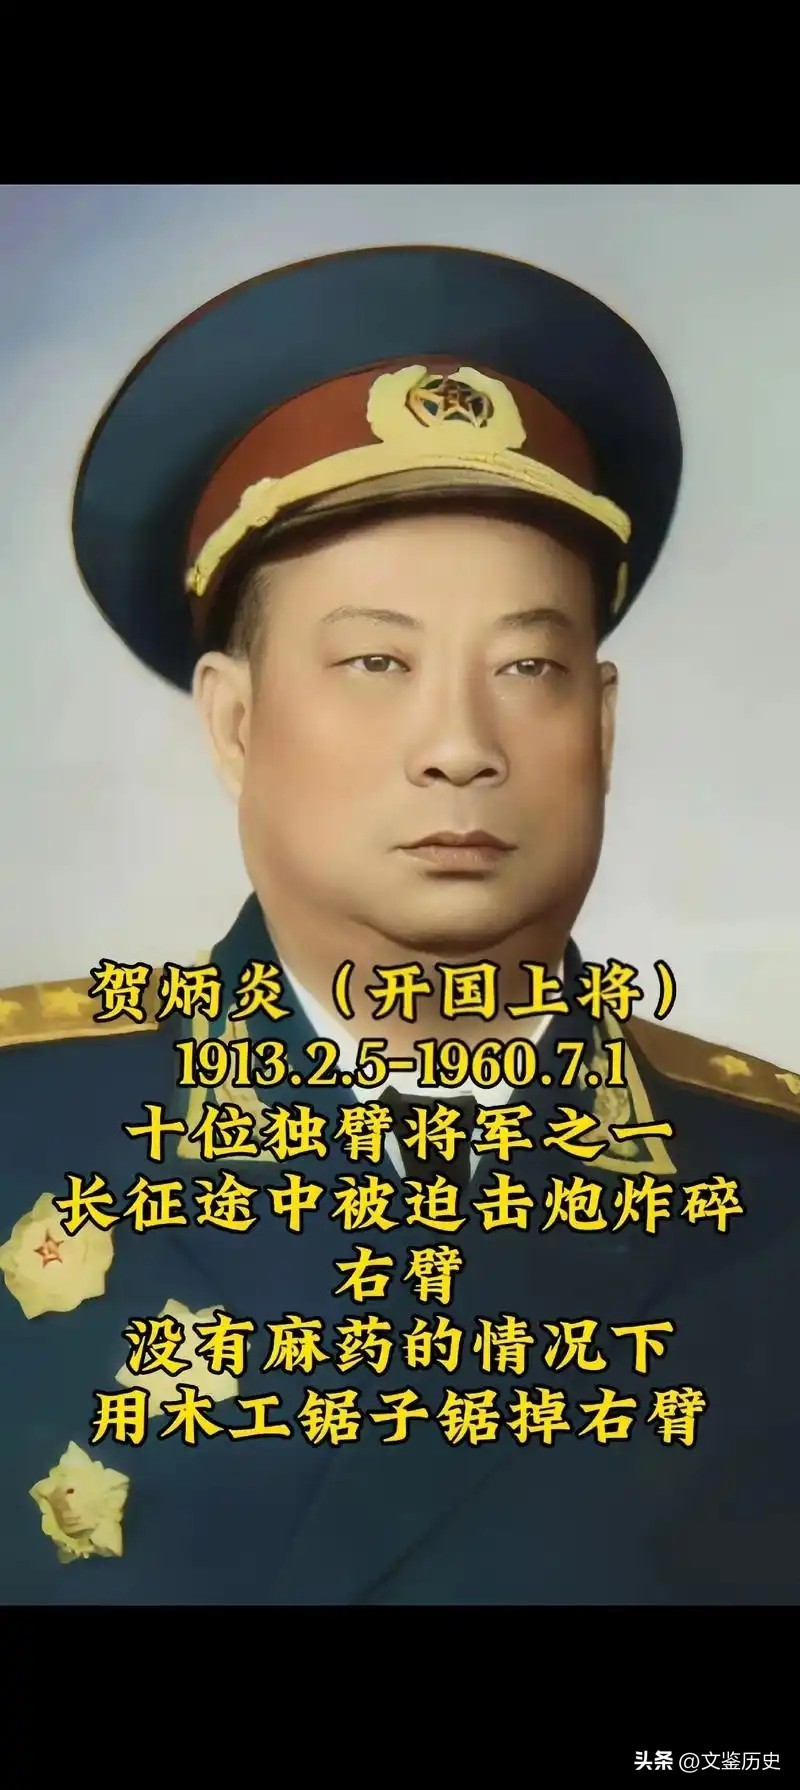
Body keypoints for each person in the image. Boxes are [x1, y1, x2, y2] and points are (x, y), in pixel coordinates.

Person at [1, 244, 798, 1606]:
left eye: (527, 666)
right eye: (378, 660)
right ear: (235, 722)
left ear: (602, 727)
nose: (459, 744)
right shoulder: (29, 1126)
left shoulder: (771, 1192)